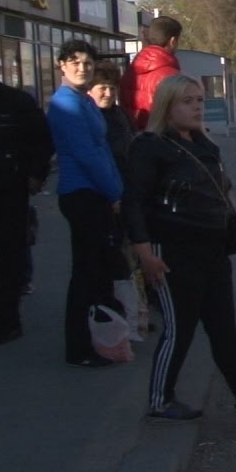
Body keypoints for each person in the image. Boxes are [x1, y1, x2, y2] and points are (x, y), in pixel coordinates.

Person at [125, 74, 236, 422]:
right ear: (168, 105)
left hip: (210, 249)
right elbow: (134, 202)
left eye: (199, 100)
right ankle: (160, 400)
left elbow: (219, 196)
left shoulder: (204, 145)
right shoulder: (150, 146)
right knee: (179, 328)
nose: (197, 107)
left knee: (223, 327)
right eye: (188, 101)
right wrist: (144, 252)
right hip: (171, 251)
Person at [46, 41, 125, 368]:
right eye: (75, 62)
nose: (82, 68)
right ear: (61, 65)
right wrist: (114, 193)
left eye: (88, 63)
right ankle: (78, 348)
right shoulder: (64, 104)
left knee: (96, 271)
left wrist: (116, 188)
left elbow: (103, 149)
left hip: (97, 192)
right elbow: (87, 155)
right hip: (81, 193)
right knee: (85, 272)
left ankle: (98, 339)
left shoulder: (83, 100)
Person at [0, 57, 53, 345]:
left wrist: (36, 174)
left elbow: (42, 140)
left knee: (10, 257)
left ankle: (8, 321)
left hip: (9, 191)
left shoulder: (16, 103)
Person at [88, 62, 148, 342]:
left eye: (112, 87)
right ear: (90, 90)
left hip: (126, 192)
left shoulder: (120, 114)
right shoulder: (90, 118)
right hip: (103, 198)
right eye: (102, 87)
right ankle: (116, 319)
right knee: (111, 261)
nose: (108, 93)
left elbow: (132, 144)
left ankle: (132, 319)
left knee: (129, 259)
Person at [120, 15, 182, 130]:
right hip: (164, 140)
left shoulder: (130, 72)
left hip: (136, 140)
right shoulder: (172, 75)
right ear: (173, 41)